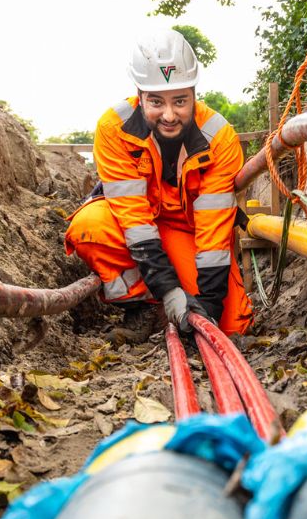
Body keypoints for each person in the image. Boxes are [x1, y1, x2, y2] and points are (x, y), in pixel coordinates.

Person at [64, 29, 253, 335]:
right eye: (156, 102)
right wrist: (169, 292)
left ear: (194, 93)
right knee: (91, 226)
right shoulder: (114, 129)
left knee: (233, 326)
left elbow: (214, 233)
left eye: (180, 101)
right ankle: (145, 309)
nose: (169, 115)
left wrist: (208, 308)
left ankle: (190, 312)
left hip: (189, 232)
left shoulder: (219, 138)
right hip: (139, 229)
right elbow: (134, 221)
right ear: (139, 96)